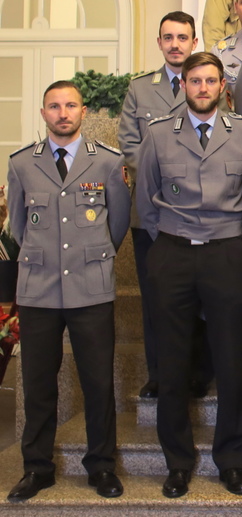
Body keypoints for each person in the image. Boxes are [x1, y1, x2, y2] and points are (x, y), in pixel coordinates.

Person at [137, 52, 242, 499]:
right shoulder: (158, 135)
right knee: (172, 364)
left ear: (223, 86)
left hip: (226, 251)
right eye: (195, 81)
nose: (203, 88)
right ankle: (178, 463)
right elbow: (148, 203)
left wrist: (226, 235)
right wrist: (173, 236)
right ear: (183, 86)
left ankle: (231, 461)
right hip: (172, 251)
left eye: (211, 80)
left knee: (230, 362)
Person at [6, 81, 130, 502]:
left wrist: (91, 257)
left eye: (71, 105)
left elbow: (117, 224)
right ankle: (37, 468)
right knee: (39, 383)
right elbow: (19, 227)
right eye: (54, 106)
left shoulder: (108, 163)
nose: (63, 113)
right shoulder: (22, 163)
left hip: (90, 287)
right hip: (39, 290)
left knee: (98, 382)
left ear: (83, 111)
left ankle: (101, 467)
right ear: (43, 113)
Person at [119, 12, 196, 401]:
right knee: (155, 298)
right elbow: (130, 145)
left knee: (194, 301)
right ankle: (158, 375)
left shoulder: (204, 82)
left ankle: (195, 373)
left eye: (183, 37)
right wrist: (166, 175)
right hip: (149, 210)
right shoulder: (140, 89)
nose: (175, 44)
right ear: (159, 42)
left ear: (194, 42)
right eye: (168, 37)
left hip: (194, 211)